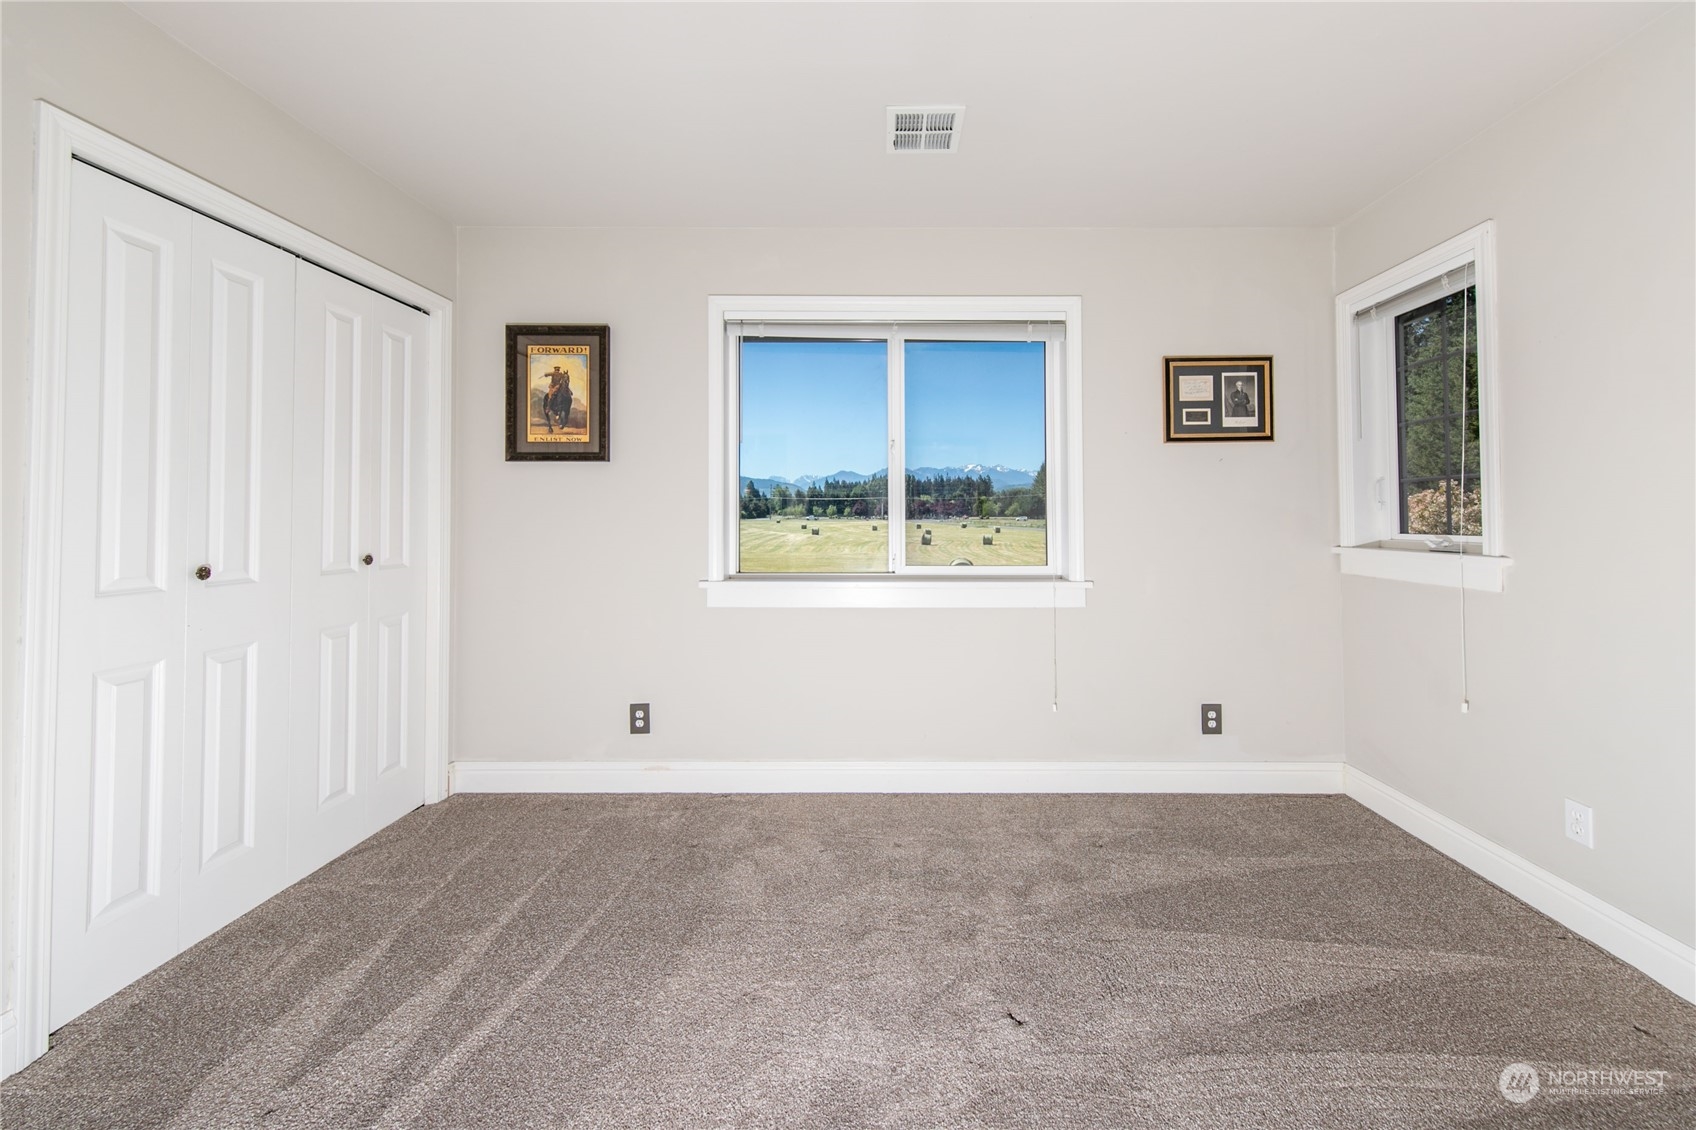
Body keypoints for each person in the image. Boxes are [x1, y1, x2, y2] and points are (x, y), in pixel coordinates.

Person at [543, 365, 574, 433]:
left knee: (567, 390)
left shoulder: (561, 374)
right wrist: (546, 374)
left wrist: (566, 376)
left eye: (558, 369)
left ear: (559, 370)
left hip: (558, 386)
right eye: (556, 369)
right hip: (553, 386)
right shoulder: (553, 373)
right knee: (551, 396)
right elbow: (547, 374)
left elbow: (565, 377)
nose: (557, 370)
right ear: (555, 370)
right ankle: (548, 407)